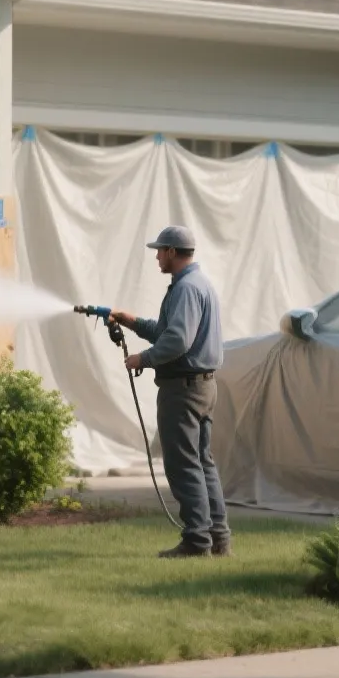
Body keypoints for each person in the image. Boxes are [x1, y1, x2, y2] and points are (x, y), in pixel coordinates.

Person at [111, 226, 230, 559]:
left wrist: (142, 359)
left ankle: (196, 541)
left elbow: (177, 341)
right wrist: (131, 321)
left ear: (174, 253)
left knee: (183, 466)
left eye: (161, 251)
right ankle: (218, 538)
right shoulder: (197, 284)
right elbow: (166, 331)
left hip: (183, 390)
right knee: (203, 463)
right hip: (202, 386)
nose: (157, 256)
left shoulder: (186, 290)